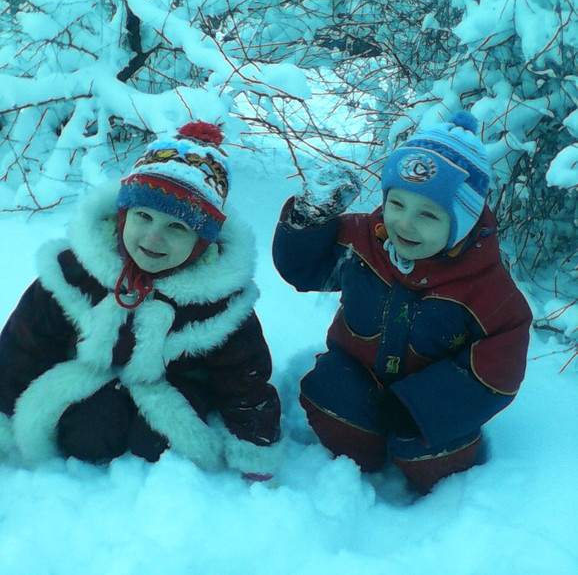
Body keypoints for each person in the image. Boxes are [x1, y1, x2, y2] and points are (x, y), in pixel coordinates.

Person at [0, 121, 282, 480]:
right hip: (88, 378)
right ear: (122, 216)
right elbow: (25, 346)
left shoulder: (217, 299)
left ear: (202, 242)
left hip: (174, 387)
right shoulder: (77, 272)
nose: (153, 237)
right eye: (143, 217)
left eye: (177, 227)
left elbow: (243, 375)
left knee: (159, 444)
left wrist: (255, 445)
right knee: (88, 433)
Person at [273, 112, 532, 494]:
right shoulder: (363, 240)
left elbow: (499, 366)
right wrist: (308, 222)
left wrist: (422, 407)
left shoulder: (486, 288)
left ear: (462, 221)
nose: (405, 224)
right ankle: (365, 461)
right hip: (358, 374)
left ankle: (433, 477)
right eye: (397, 204)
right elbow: (303, 268)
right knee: (328, 396)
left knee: (433, 458)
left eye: (428, 214)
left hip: (431, 401)